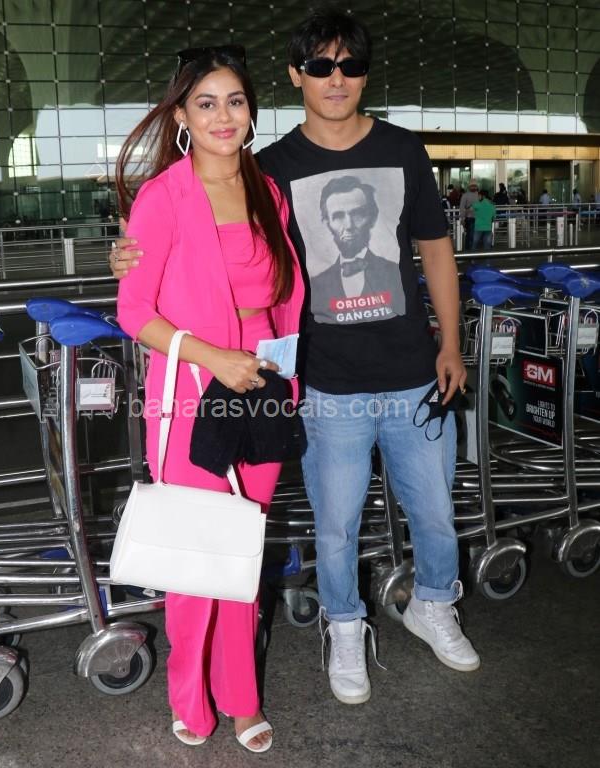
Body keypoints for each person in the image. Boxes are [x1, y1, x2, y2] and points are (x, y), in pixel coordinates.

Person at [112, 9, 479, 708]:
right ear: (295, 75)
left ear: (364, 74)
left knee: (434, 512)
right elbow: (190, 250)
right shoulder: (271, 168)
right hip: (321, 384)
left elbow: (435, 249)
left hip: (407, 372)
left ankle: (435, 604)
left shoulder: (392, 152)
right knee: (333, 526)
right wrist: (129, 257)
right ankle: (343, 628)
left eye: (349, 65)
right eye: (319, 66)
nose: (336, 79)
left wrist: (451, 343)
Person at [115, 46, 304, 751]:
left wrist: (282, 377)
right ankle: (189, 699)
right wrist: (213, 357)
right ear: (182, 117)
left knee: (240, 551)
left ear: (250, 110)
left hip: (260, 386)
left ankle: (241, 697)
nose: (222, 116)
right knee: (195, 554)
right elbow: (134, 312)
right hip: (194, 388)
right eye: (205, 103)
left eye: (234, 101)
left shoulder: (266, 189)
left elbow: (281, 296)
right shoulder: (162, 197)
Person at [311, 175, 404, 321]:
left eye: (357, 214)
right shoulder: (316, 284)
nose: (349, 225)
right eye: (338, 216)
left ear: (372, 218)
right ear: (327, 223)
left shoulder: (396, 273)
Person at [459, 180, 479, 250]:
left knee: (472, 236)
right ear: (469, 187)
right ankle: (470, 251)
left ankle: (470, 251)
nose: (474, 187)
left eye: (475, 186)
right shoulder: (465, 195)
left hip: (477, 219)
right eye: (472, 186)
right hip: (470, 218)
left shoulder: (479, 195)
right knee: (471, 236)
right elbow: (462, 208)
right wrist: (462, 219)